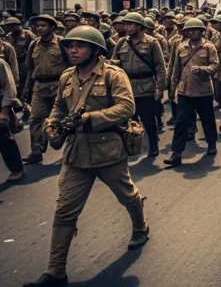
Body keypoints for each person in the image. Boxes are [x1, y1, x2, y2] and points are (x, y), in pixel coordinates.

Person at [23, 26, 148, 287]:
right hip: (76, 154)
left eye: (79, 46)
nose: (73, 50)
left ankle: (140, 227)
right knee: (64, 210)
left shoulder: (113, 74)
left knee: (128, 196)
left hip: (107, 151)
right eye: (69, 46)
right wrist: (51, 124)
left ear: (95, 50)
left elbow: (127, 107)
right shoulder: (67, 77)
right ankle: (56, 270)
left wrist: (92, 118)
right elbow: (58, 106)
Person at [110, 12, 167, 158]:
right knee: (127, 120)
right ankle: (131, 146)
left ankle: (153, 146)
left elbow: (160, 66)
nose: (126, 27)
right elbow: (113, 64)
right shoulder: (121, 42)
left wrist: (160, 88)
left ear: (140, 26)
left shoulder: (151, 42)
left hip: (146, 86)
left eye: (130, 24)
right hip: (125, 87)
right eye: (125, 24)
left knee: (148, 119)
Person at [165, 18, 220, 167]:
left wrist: (203, 70)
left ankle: (211, 143)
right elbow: (176, 68)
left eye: (195, 29)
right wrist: (173, 87)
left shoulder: (209, 47)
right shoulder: (181, 47)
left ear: (202, 31)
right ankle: (176, 153)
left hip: (203, 91)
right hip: (185, 91)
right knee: (181, 122)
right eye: (189, 30)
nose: (192, 32)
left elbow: (215, 65)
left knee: (207, 119)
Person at [21, 15, 68, 164]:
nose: (39, 28)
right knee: (35, 119)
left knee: (66, 120)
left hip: (59, 87)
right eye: (38, 26)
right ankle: (36, 151)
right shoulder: (34, 45)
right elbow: (30, 69)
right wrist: (26, 89)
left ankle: (69, 152)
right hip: (40, 87)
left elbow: (72, 66)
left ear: (52, 27)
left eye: (43, 26)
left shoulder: (62, 43)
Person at [0, 56, 23, 182]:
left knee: (4, 139)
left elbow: (9, 88)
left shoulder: (0, 64)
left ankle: (16, 169)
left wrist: (4, 111)